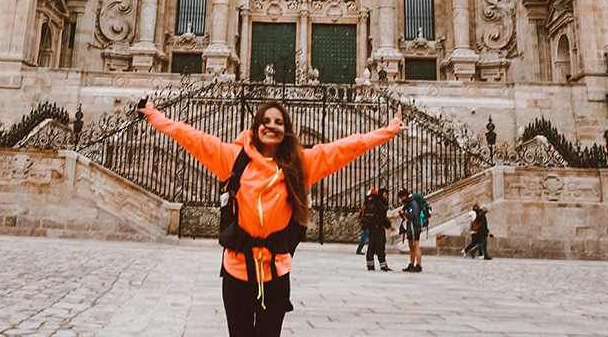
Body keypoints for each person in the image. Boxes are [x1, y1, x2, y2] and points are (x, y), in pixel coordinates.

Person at [140, 97, 405, 337]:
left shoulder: (300, 164)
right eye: (265, 121)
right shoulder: (233, 159)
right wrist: (153, 115)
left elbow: (346, 148)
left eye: (278, 122)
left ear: (286, 129)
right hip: (237, 268)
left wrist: (389, 130)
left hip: (276, 270)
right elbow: (190, 137)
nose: (271, 126)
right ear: (256, 127)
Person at [361, 186, 392, 272]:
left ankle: (370, 265)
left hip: (371, 228)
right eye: (385, 195)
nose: (386, 197)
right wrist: (388, 225)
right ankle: (383, 265)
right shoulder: (380, 204)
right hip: (379, 228)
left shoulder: (371, 203)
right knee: (380, 247)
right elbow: (382, 217)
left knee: (372, 246)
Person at [397, 188, 424, 272]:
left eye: (402, 197)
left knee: (416, 246)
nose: (401, 199)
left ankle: (419, 265)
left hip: (415, 227)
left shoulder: (413, 203)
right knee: (411, 247)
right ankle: (411, 264)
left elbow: (414, 215)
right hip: (410, 227)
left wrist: (404, 213)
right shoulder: (408, 203)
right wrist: (403, 214)